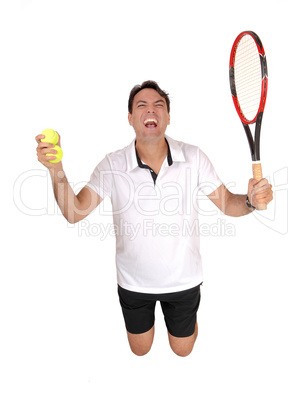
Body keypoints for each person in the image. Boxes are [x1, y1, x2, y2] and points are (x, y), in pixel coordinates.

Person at [35, 80, 273, 357]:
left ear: (168, 117)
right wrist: (55, 169)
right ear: (131, 118)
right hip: (133, 283)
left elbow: (227, 204)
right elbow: (74, 212)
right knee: (140, 350)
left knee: (183, 350)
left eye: (159, 105)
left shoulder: (194, 157)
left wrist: (250, 201)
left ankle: (185, 325)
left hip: (184, 281)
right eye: (142, 105)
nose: (152, 110)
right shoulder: (112, 164)